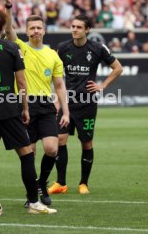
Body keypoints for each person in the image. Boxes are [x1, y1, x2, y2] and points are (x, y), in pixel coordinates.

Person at [0, 8, 57, 216]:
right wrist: (25, 108)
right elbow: (21, 82)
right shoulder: (11, 48)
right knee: (26, 154)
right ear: (1, 27)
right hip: (9, 109)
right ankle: (34, 202)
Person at [2, 0, 69, 206]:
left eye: (39, 28)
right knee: (29, 153)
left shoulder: (53, 55)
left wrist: (66, 110)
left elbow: (59, 85)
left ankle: (41, 184)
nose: (36, 31)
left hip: (46, 105)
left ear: (44, 30)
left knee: (52, 148)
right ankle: (32, 194)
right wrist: (9, 7)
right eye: (32, 28)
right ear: (27, 31)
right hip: (24, 104)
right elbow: (9, 29)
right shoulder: (20, 47)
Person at [48, 14, 123, 195]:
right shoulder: (63, 47)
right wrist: (56, 98)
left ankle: (83, 183)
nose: (74, 29)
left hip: (87, 104)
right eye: (72, 26)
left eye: (79, 27)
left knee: (87, 143)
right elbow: (54, 74)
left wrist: (102, 86)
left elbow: (118, 68)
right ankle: (61, 183)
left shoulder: (97, 48)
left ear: (87, 30)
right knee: (60, 140)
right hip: (67, 103)